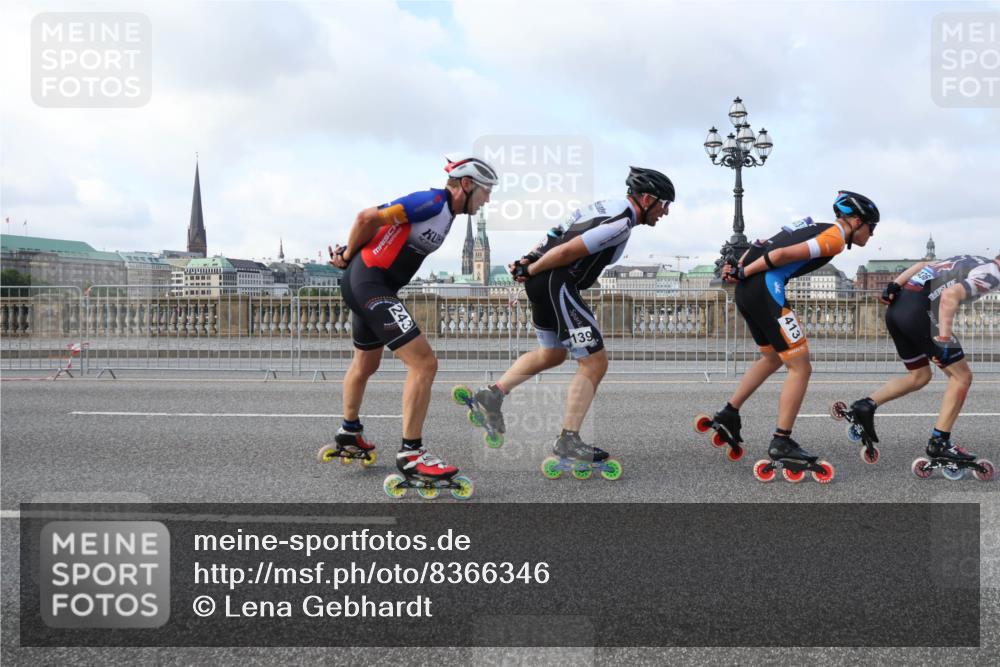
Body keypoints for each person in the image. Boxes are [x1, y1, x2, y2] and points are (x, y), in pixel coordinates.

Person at [458, 167, 674, 479]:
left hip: (544, 281)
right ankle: (568, 440)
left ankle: (492, 395)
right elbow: (571, 249)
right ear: (646, 198)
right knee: (595, 362)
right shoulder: (622, 222)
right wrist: (532, 270)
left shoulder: (602, 206)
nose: (665, 212)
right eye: (664, 204)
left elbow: (555, 232)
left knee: (553, 354)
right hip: (556, 283)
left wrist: (528, 261)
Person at [323, 155, 498, 496]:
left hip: (370, 284)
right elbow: (366, 217)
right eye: (485, 191)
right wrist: (346, 258)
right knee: (424, 363)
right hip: (371, 285)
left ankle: (349, 432)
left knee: (366, 362)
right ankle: (412, 452)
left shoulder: (447, 214)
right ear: (466, 184)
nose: (487, 199)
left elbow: (386, 232)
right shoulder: (432, 201)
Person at [711, 191, 880, 483]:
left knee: (773, 358)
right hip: (766, 288)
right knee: (801, 367)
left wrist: (738, 269)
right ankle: (782, 440)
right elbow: (778, 255)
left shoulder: (810, 224)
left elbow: (762, 243)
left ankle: (728, 412)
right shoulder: (836, 237)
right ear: (855, 221)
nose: (872, 234)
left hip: (748, 292)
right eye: (871, 227)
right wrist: (743, 271)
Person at [835, 253, 998, 480]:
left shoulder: (973, 258)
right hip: (919, 313)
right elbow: (951, 295)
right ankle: (939, 442)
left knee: (920, 375)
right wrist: (943, 337)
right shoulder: (992, 274)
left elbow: (922, 265)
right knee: (962, 377)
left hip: (897, 309)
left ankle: (865, 406)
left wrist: (894, 285)